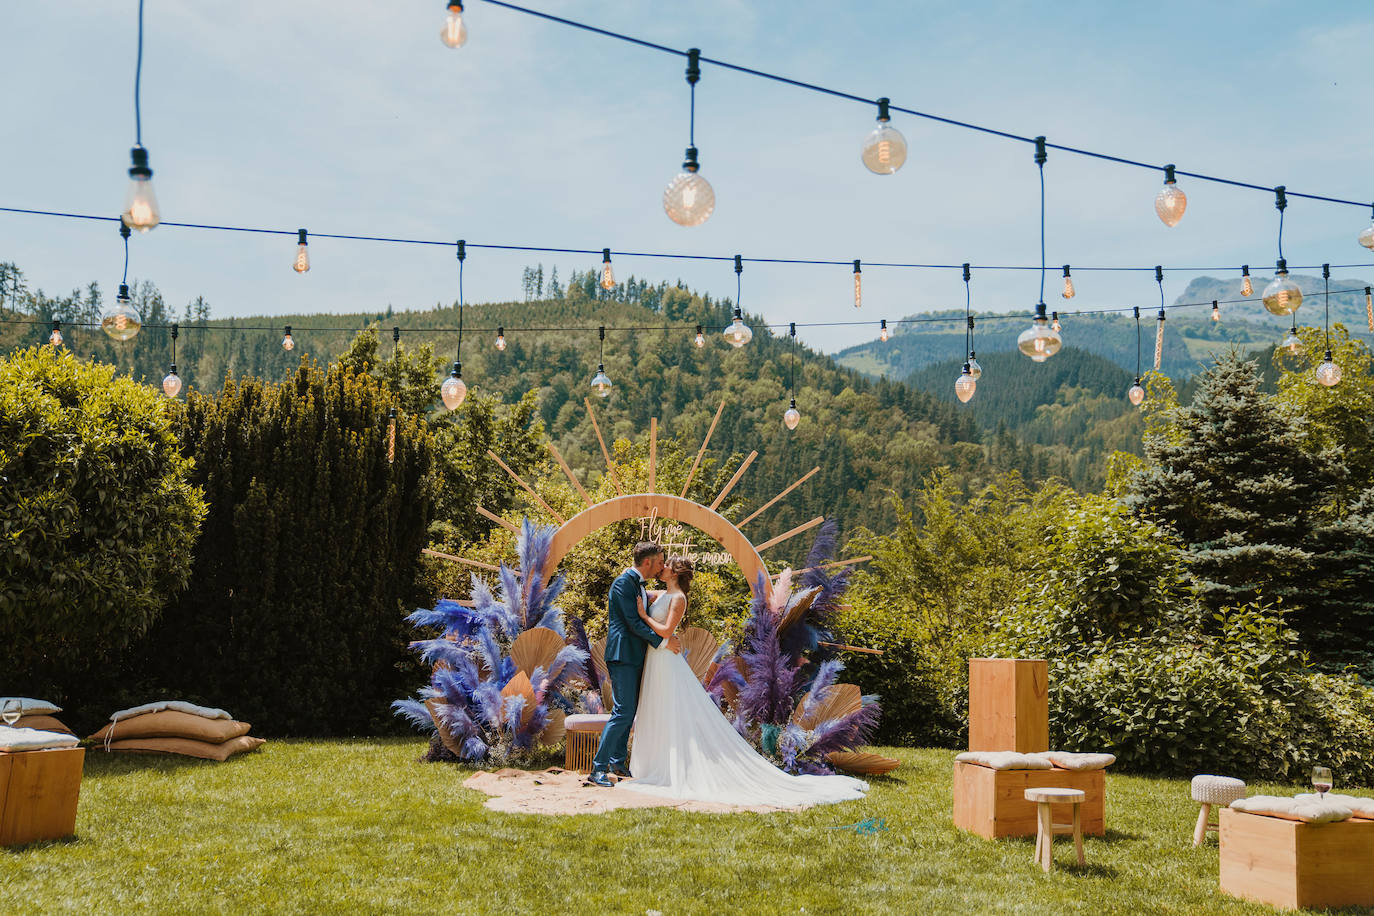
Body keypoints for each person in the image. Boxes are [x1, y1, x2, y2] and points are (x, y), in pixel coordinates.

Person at [617, 555, 869, 808]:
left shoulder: (679, 598)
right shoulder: (662, 594)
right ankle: (654, 763)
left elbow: (666, 631)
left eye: (666, 565)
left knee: (670, 711)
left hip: (665, 659)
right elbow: (635, 586)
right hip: (656, 659)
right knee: (656, 710)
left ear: (674, 572)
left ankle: (670, 768)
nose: (661, 567)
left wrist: (642, 615)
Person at [588, 541, 681, 788]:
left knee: (628, 712)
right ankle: (597, 769)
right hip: (623, 655)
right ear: (648, 562)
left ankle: (618, 764)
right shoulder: (622, 584)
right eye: (660, 562)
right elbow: (634, 624)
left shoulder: (638, 586)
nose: (662, 566)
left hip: (636, 656)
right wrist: (664, 643)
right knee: (622, 712)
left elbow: (662, 600)